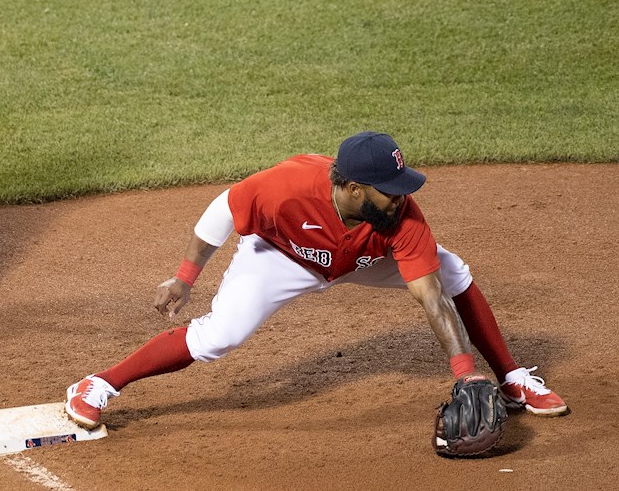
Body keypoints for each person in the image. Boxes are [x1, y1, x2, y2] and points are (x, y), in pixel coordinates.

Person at [65, 131, 567, 428]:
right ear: (349, 188)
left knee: (451, 271)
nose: (400, 199)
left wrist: (464, 371)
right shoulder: (285, 188)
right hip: (281, 256)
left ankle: (512, 379)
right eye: (387, 191)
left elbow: (431, 296)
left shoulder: (401, 218)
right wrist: (184, 278)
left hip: (361, 259)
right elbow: (223, 209)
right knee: (222, 335)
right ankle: (99, 384)